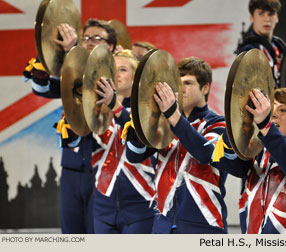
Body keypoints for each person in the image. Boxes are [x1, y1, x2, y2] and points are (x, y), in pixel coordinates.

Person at [23, 18, 117, 234]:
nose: (89, 42)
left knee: (97, 234)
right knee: (71, 234)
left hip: (104, 169)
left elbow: (93, 83)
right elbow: (41, 87)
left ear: (110, 47)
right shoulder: (72, 78)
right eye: (86, 38)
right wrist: (49, 49)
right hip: (73, 167)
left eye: (97, 38)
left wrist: (74, 49)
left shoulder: (118, 77)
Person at [125, 57, 228, 234]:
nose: (181, 88)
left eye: (188, 83)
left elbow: (205, 154)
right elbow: (134, 155)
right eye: (177, 83)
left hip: (204, 223)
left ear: (205, 88)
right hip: (163, 223)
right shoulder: (165, 123)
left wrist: (173, 115)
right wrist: (140, 128)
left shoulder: (219, 124)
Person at [213, 88, 286, 234]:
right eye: (271, 109)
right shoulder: (257, 156)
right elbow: (224, 161)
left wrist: (265, 126)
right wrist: (236, 120)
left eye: (283, 110)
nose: (273, 114)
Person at [91, 49, 156, 233]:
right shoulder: (94, 107)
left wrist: (116, 106)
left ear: (135, 77)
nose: (116, 74)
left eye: (123, 70)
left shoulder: (147, 107)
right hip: (103, 204)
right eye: (112, 69)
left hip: (141, 202)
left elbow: (141, 134)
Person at [235, 0, 286, 87]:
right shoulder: (248, 50)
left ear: (277, 17)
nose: (266, 19)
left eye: (271, 14)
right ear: (252, 17)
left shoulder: (279, 47)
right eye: (261, 13)